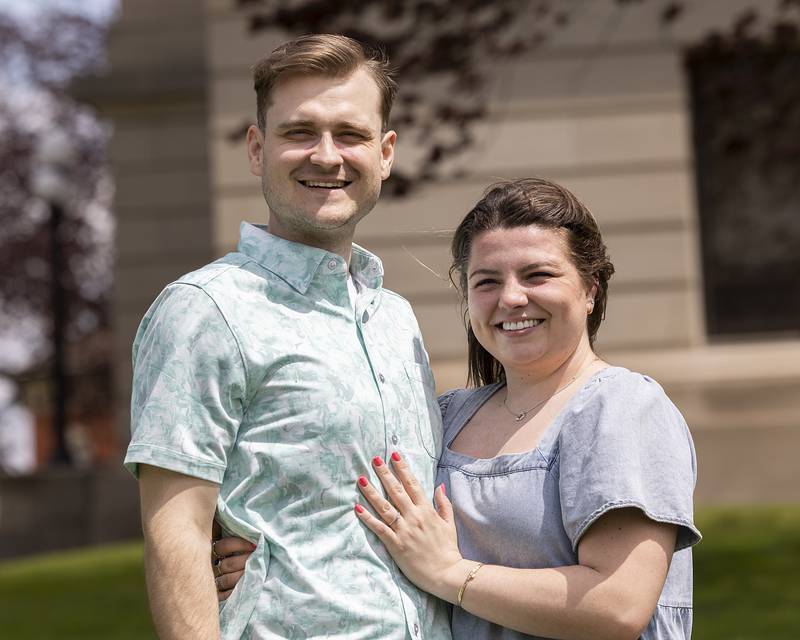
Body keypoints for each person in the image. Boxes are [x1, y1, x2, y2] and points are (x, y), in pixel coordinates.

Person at [217, 178, 701, 639]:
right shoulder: (445, 416)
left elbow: (616, 606)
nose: (511, 298)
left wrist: (451, 573)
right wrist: (273, 559)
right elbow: (363, 523)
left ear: (591, 288)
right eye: (487, 281)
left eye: (538, 275)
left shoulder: (622, 409)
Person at [124, 34, 451, 640]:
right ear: (257, 149)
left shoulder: (395, 317)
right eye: (300, 132)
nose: (326, 155)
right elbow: (177, 533)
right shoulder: (204, 311)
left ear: (385, 154)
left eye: (350, 135)